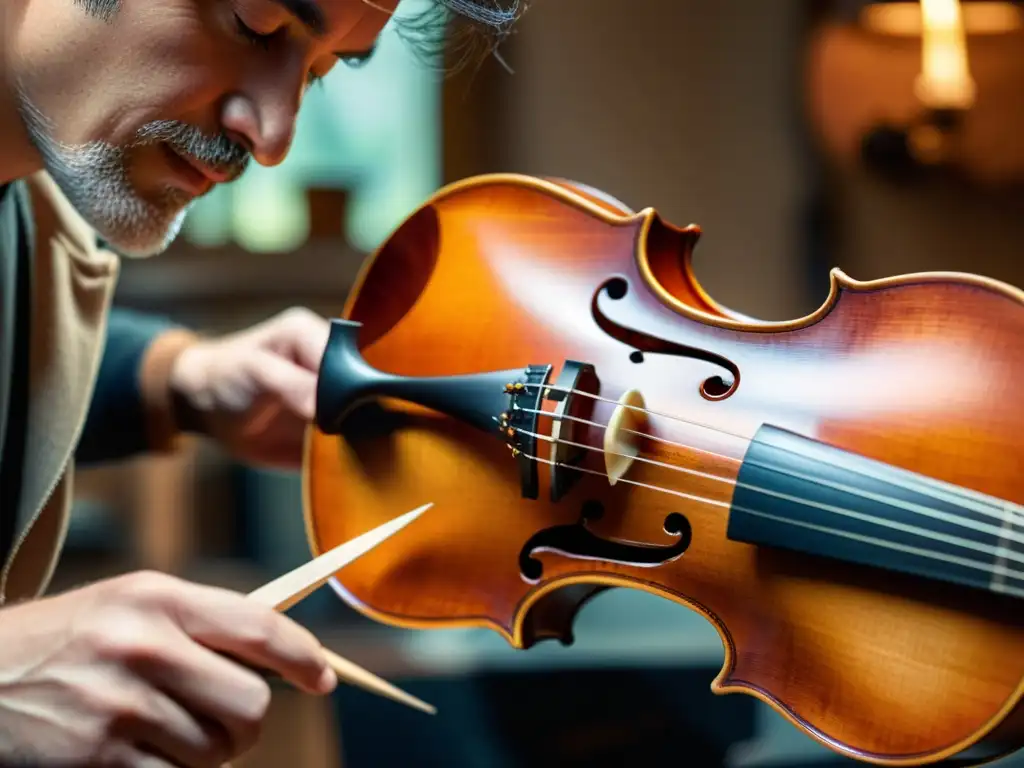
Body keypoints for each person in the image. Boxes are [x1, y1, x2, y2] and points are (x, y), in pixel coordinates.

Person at [0, 0, 525, 764]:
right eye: (256, 24)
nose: (274, 136)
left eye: (317, 74)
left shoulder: (29, 210)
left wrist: (185, 379)